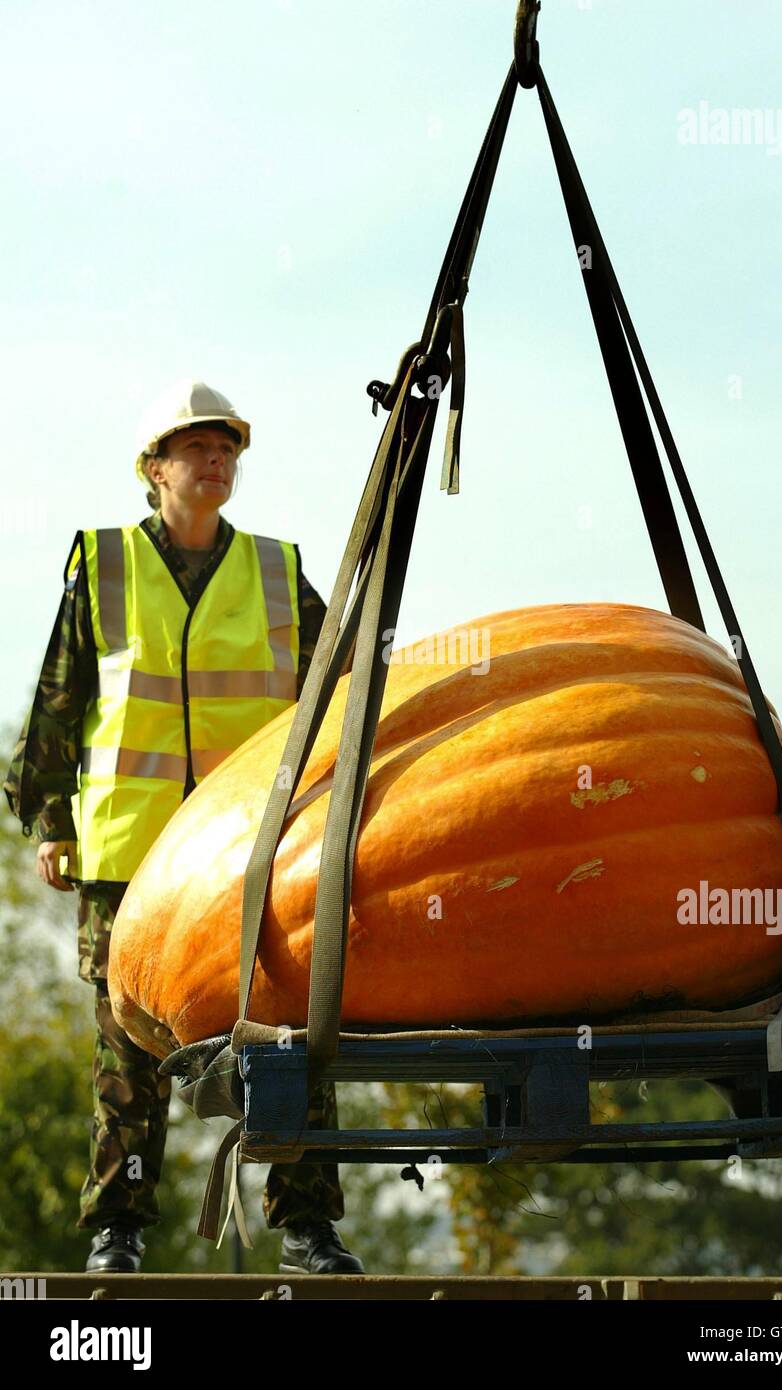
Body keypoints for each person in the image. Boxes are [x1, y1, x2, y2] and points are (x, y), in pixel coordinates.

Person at [3, 379, 364, 1276]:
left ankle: (308, 1229)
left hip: (254, 855)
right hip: (129, 856)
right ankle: (117, 1230)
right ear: (153, 469)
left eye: (227, 448)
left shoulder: (278, 572)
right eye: (196, 447)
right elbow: (59, 700)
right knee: (128, 1059)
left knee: (289, 1039)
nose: (216, 460)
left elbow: (347, 682)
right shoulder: (105, 566)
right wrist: (49, 818)